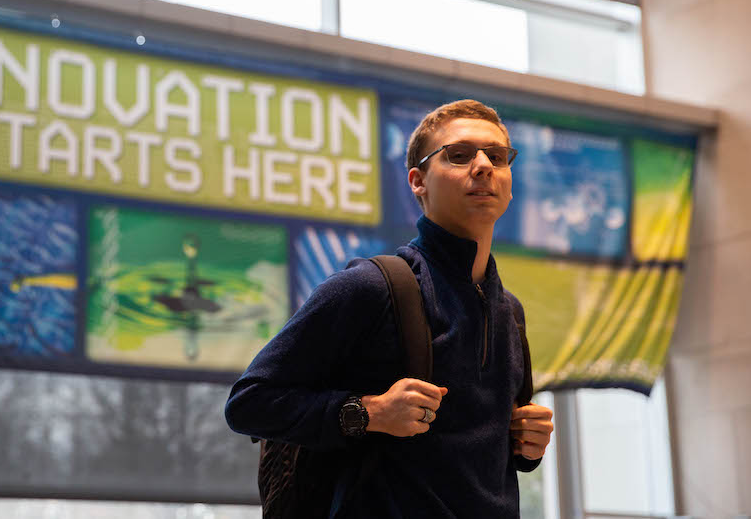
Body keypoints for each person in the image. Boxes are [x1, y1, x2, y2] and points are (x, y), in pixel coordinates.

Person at [225, 99, 554, 518]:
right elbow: (248, 402)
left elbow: (481, 457)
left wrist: (527, 445)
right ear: (418, 181)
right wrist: (367, 412)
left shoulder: (510, 311)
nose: (483, 165)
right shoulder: (370, 287)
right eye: (459, 154)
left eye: (497, 155)